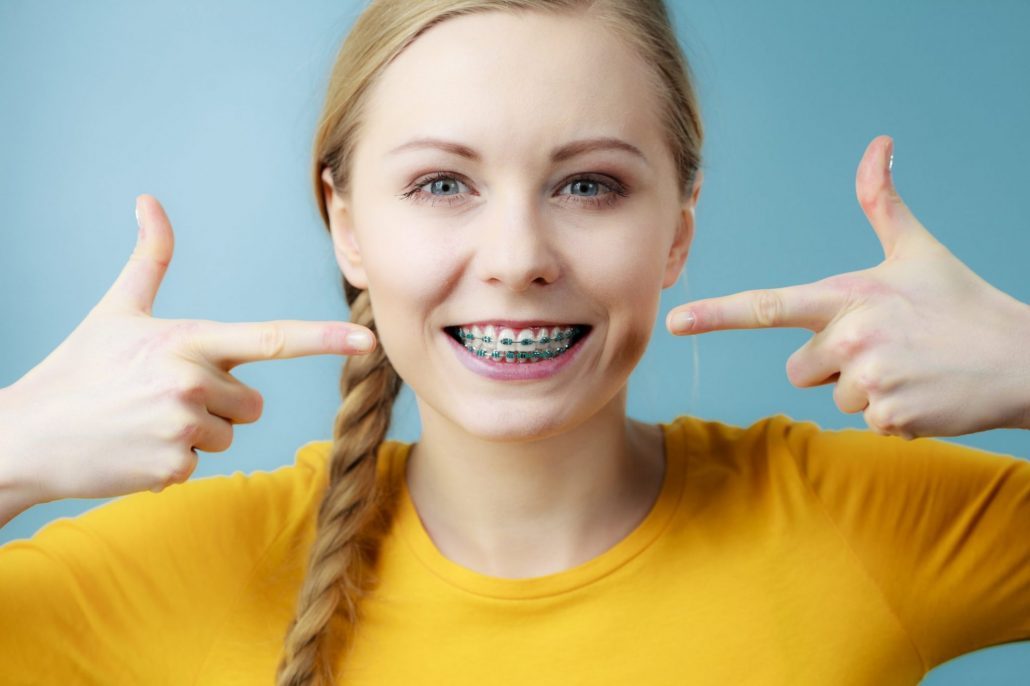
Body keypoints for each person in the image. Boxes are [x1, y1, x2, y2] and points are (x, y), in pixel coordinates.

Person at [1, 0, 1028, 684]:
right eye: (442, 183)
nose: (518, 256)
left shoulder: (857, 523)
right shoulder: (192, 567)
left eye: (589, 184)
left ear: (677, 227)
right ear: (346, 224)